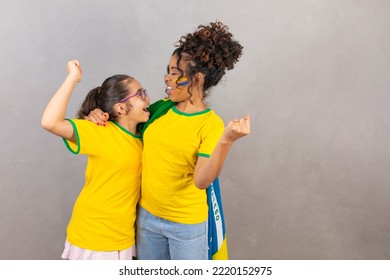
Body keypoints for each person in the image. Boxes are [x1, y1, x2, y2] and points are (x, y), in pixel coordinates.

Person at [86, 21, 250, 260]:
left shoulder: (210, 124)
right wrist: (97, 114)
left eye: (175, 73)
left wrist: (226, 141)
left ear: (197, 80)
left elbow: (201, 180)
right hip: (147, 218)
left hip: (186, 226)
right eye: (168, 71)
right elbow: (121, 124)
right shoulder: (160, 109)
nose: (167, 78)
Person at [40, 60, 150, 260]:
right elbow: (50, 122)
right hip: (94, 238)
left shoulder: (146, 135)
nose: (148, 99)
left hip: (123, 239)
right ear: (121, 108)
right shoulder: (99, 130)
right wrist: (73, 78)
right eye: (141, 94)